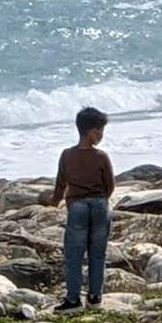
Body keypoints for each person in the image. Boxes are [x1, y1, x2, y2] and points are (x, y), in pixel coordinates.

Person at [52, 106, 117, 309]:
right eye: (100, 131)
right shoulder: (101, 157)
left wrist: (55, 201)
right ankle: (95, 297)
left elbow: (61, 182)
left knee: (74, 254)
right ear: (93, 132)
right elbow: (110, 185)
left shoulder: (67, 155)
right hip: (99, 204)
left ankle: (73, 299)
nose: (101, 136)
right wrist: (101, 198)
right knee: (98, 253)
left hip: (77, 205)